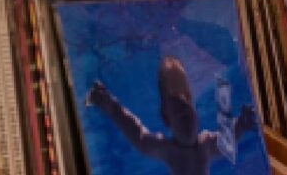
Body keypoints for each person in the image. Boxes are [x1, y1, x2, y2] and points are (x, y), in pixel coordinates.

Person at [87, 56, 258, 175]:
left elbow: (228, 139)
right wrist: (108, 103)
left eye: (186, 98)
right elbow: (138, 135)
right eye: (175, 100)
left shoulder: (205, 144)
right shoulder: (168, 150)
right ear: (165, 117)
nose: (184, 105)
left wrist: (241, 123)